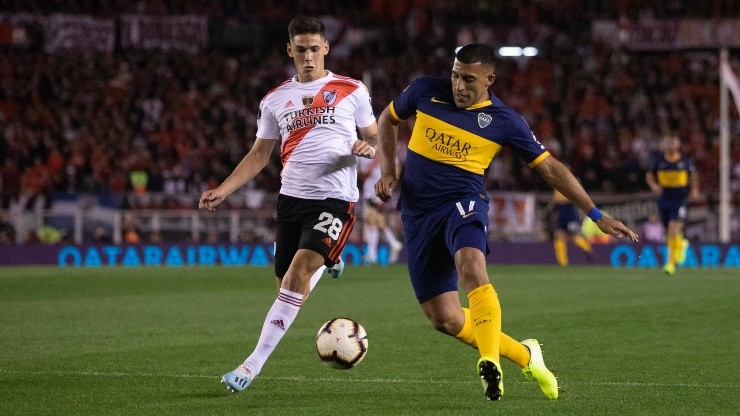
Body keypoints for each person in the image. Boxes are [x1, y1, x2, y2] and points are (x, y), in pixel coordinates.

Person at [375, 43, 639, 401]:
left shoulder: (504, 121)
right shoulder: (425, 91)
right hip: (417, 213)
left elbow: (549, 168)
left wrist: (595, 213)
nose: (458, 85)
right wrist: (388, 171)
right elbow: (387, 120)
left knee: (471, 266)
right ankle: (526, 356)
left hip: (463, 203)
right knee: (446, 319)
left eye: (468, 79)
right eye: (455, 75)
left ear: (489, 79)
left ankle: (489, 362)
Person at [199, 16, 378, 394]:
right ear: (290, 50)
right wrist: (224, 189)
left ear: (326, 48)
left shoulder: (352, 90)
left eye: (315, 49)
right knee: (286, 287)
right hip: (291, 200)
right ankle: (330, 256)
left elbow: (375, 137)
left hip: (335, 199)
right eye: (301, 50)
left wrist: (369, 148)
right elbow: (259, 153)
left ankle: (251, 366)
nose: (309, 57)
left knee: (296, 277)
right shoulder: (274, 99)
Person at [645, 134, 700, 275]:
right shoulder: (658, 159)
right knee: (667, 231)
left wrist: (694, 189)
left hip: (680, 198)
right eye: (668, 142)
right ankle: (681, 243)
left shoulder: (684, 160)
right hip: (664, 198)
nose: (670, 145)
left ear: (678, 144)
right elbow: (649, 175)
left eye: (673, 142)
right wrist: (654, 186)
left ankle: (670, 263)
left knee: (672, 229)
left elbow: (693, 175)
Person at [357, 156, 403, 264]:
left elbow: (397, 167)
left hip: (378, 189)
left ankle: (374, 252)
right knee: (373, 221)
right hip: (369, 189)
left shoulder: (382, 148)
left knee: (371, 218)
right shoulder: (361, 153)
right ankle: (391, 245)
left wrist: (389, 189)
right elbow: (362, 173)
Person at [547, 189, 594, 266]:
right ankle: (563, 263)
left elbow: (577, 193)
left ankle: (587, 249)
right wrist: (550, 209)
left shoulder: (570, 179)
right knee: (558, 235)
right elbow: (554, 198)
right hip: (560, 213)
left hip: (569, 212)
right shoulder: (556, 182)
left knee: (574, 235)